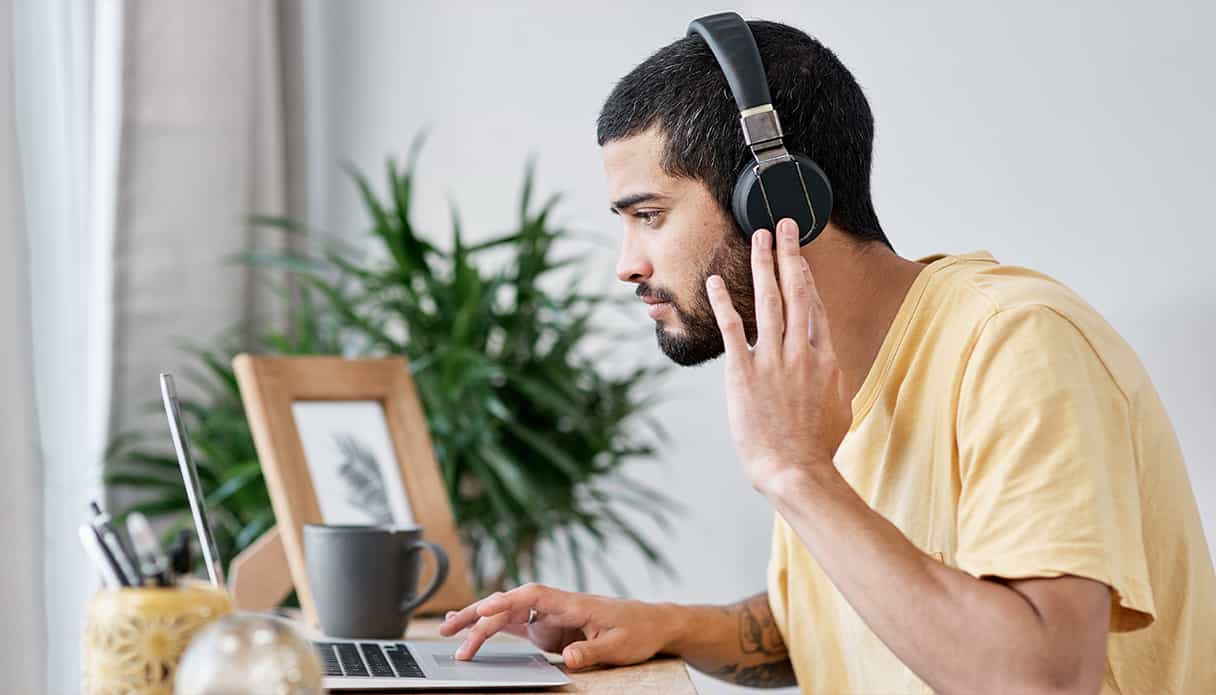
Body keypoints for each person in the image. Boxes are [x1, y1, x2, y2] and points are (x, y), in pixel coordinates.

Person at [440, 17, 1216, 694]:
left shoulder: (1018, 344)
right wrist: (657, 623)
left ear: (777, 200)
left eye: (649, 216)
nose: (627, 264)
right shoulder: (812, 372)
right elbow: (847, 609)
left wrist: (797, 473)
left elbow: (1041, 679)